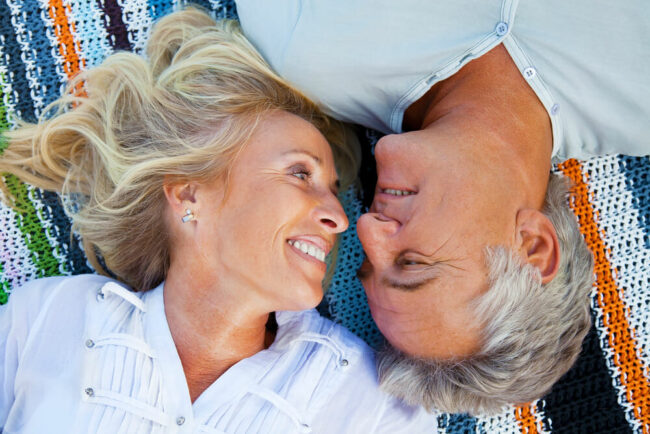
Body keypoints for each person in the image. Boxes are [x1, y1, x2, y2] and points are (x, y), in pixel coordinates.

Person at [0, 8, 437, 432]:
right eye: (300, 173)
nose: (341, 219)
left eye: (333, 190)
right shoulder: (46, 319)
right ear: (190, 193)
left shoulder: (373, 409)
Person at [235, 0, 650, 414]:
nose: (366, 228)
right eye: (413, 263)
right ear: (533, 246)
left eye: (368, 262)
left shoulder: (305, 49)